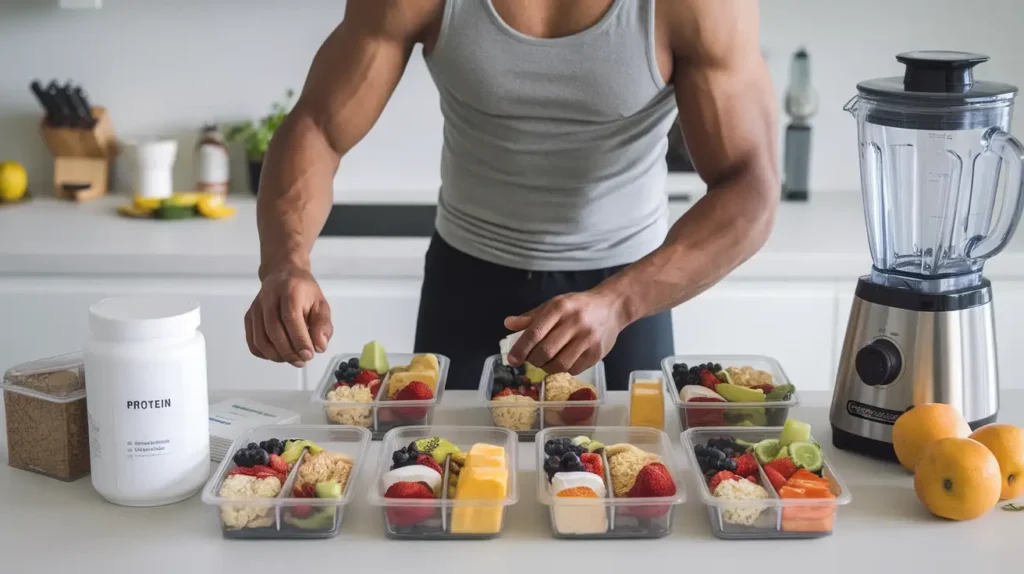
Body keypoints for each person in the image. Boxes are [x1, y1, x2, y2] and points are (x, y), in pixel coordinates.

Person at [244, 0, 779, 390]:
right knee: (444, 499)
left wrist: (620, 301)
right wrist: (285, 262)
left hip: (625, 292)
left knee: (627, 512)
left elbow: (749, 185)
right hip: (466, 284)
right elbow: (316, 127)